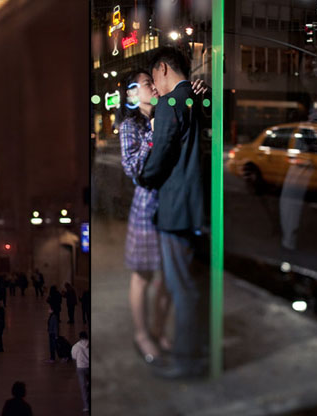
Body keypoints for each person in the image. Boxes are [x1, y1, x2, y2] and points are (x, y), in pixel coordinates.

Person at [138, 47, 207, 379]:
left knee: (182, 289)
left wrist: (144, 177)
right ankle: (195, 350)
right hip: (193, 207)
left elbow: (162, 148)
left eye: (154, 79)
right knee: (186, 284)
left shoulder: (169, 104)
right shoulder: (193, 100)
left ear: (163, 69)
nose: (155, 87)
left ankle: (187, 360)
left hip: (175, 208)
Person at [118, 68, 173, 364]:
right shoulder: (131, 125)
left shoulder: (164, 115)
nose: (152, 87)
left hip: (169, 204)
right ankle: (142, 334)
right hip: (146, 206)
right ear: (132, 94)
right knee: (142, 275)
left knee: (166, 278)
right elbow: (133, 171)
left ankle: (158, 329)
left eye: (153, 81)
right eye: (146, 84)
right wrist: (151, 134)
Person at [72, 332, 90, 413]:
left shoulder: (76, 346)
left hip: (80, 367)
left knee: (82, 387)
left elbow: (74, 357)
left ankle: (86, 406)